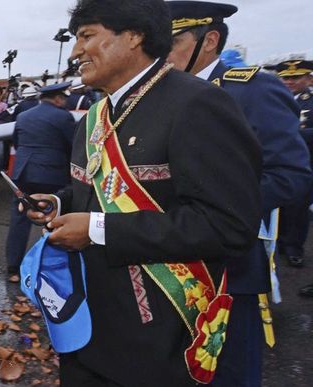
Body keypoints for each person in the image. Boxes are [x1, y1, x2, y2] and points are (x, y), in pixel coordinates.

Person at [25, 0, 261, 385]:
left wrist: (99, 230)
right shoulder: (92, 119)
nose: (76, 52)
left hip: (159, 337)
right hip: (87, 323)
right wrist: (58, 203)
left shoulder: (196, 104)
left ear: (134, 36)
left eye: (87, 36)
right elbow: (93, 191)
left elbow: (228, 226)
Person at [166, 2, 313, 386]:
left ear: (209, 40)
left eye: (171, 42)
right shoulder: (157, 93)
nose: (159, 54)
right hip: (162, 262)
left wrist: (213, 206)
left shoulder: (252, 88)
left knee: (226, 373)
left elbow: (291, 176)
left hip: (226, 268)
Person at [5, 81, 75, 275]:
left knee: (19, 219)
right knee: (55, 218)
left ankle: (13, 265)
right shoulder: (64, 117)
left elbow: (17, 143)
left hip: (24, 172)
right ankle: (57, 267)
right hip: (52, 173)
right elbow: (73, 147)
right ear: (59, 98)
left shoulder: (23, 116)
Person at [265, 59, 313, 268]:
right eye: (285, 77)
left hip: (304, 162)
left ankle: (294, 247)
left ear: (309, 78)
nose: (289, 81)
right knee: (278, 206)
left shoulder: (309, 101)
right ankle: (278, 242)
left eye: (295, 77)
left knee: (298, 208)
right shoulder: (270, 97)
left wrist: (290, 136)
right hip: (272, 161)